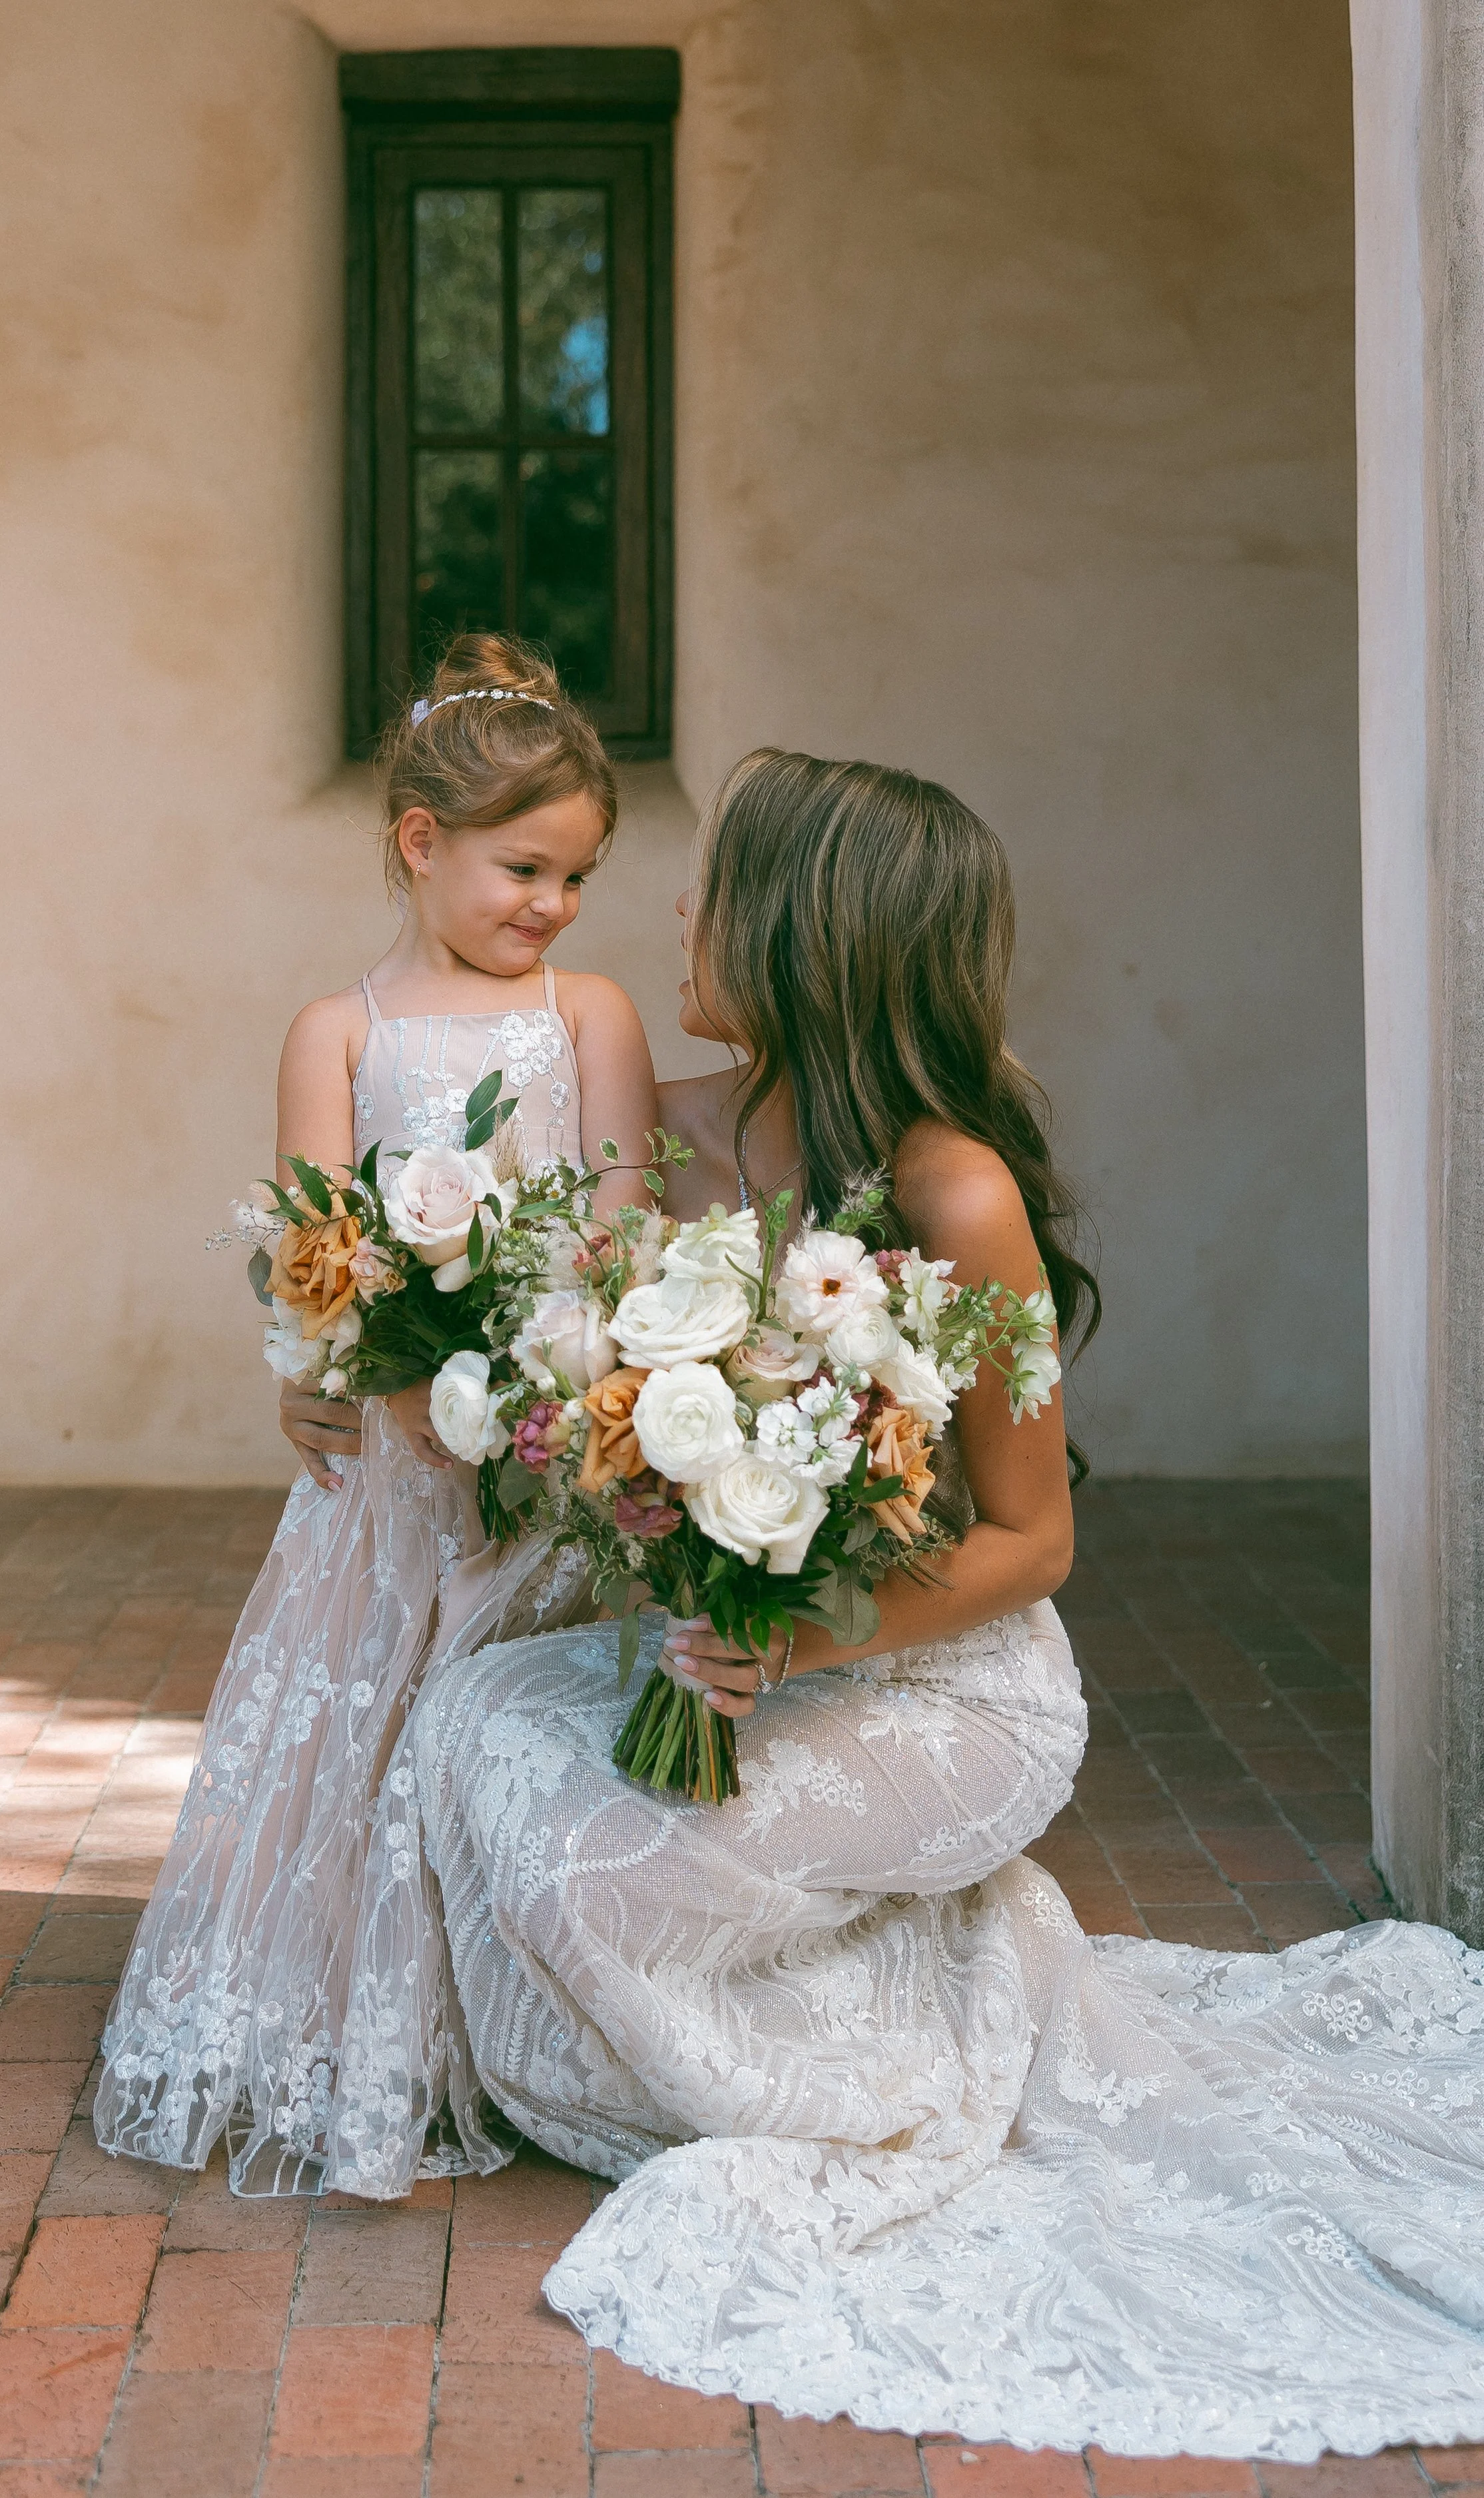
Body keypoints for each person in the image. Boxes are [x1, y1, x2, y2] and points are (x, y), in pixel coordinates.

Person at [404, 751, 1484, 2461]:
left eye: (721, 883)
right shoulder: (659, 1134)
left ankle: (907, 2047)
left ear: (803, 935)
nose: (677, 909)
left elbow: (1031, 1540)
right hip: (738, 1646)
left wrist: (790, 1637)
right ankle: (887, 1950)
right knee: (469, 1726)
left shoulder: (950, 1190)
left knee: (605, 1861)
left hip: (944, 1683)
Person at [94, 634, 657, 2194]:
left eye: (575, 878)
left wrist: (546, 1361)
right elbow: (316, 1248)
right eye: (521, 868)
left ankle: (539, 2019)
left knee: (520, 1729)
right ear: (422, 844)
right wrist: (323, 1362)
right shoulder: (335, 1032)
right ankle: (363, 2011)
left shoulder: (587, 1014)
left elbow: (619, 1222)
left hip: (548, 1450)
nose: (547, 905)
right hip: (392, 1468)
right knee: (372, 1725)